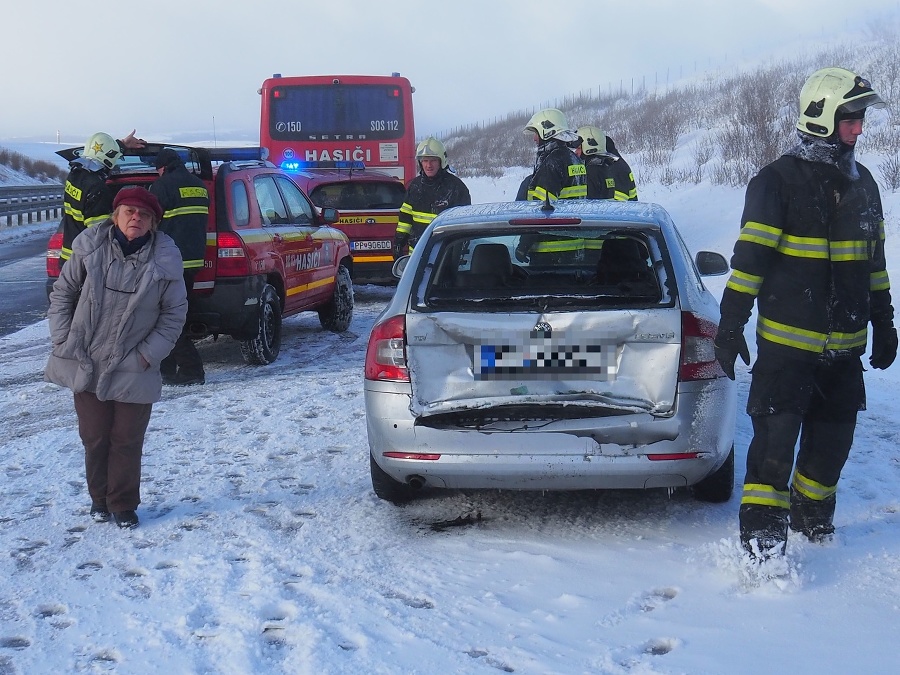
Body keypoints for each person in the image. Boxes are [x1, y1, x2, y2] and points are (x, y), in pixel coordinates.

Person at [714, 67, 897, 560]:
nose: (859, 129)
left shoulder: (867, 186)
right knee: (772, 456)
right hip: (787, 353)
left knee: (829, 453)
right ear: (821, 117)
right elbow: (749, 264)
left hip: (844, 354)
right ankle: (762, 552)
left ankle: (813, 529)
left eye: (860, 119)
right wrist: (730, 326)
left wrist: (885, 321)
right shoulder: (776, 182)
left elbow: (873, 263)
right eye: (850, 118)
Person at [45, 187, 187, 529]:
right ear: (116, 216)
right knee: (94, 436)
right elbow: (63, 292)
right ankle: (99, 499)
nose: (135, 218)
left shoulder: (165, 260)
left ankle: (122, 504)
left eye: (144, 215)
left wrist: (145, 357)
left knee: (126, 438)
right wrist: (63, 337)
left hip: (133, 364)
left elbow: (174, 315)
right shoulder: (90, 248)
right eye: (129, 212)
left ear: (153, 223)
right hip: (86, 359)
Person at [150, 148, 210, 386]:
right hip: (193, 261)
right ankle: (165, 368)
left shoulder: (162, 186)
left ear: (162, 167)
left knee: (167, 320)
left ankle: (192, 370)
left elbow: (150, 222)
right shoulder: (199, 185)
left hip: (169, 263)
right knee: (176, 315)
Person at [60, 130, 146, 263]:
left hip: (69, 258)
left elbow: (103, 153)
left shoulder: (75, 176)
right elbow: (100, 234)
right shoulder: (97, 189)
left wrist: (121, 144)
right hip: (85, 264)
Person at [394, 137, 471, 258]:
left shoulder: (456, 188)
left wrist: (456, 254)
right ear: (420, 162)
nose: (428, 165)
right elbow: (405, 218)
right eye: (425, 160)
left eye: (433, 160)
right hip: (416, 256)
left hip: (444, 257)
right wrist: (399, 241)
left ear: (441, 161)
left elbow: (464, 225)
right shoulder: (414, 186)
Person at [520, 108, 586, 202]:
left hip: (559, 217)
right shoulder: (575, 159)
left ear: (547, 133)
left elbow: (541, 208)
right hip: (575, 215)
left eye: (536, 133)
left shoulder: (552, 164)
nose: (534, 138)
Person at [576, 126, 638, 201]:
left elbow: (589, 207)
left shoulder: (593, 171)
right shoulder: (614, 163)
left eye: (579, 148)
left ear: (589, 146)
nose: (576, 152)